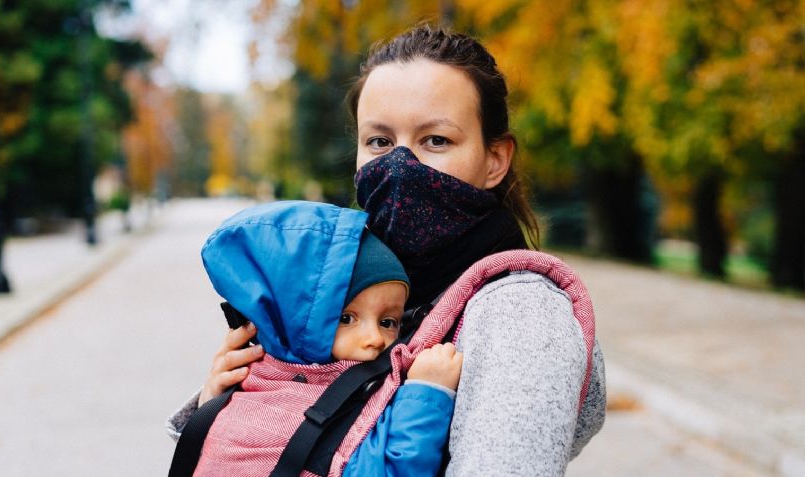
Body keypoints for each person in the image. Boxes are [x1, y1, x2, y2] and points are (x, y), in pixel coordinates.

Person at [169, 25, 606, 476]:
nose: (399, 166)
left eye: (436, 140)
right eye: (379, 141)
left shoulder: (520, 313)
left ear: (495, 159)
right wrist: (231, 404)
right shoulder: (357, 280)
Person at [177, 200, 463, 476]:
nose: (375, 338)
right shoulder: (260, 406)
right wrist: (427, 393)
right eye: (346, 318)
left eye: (388, 322)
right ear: (293, 320)